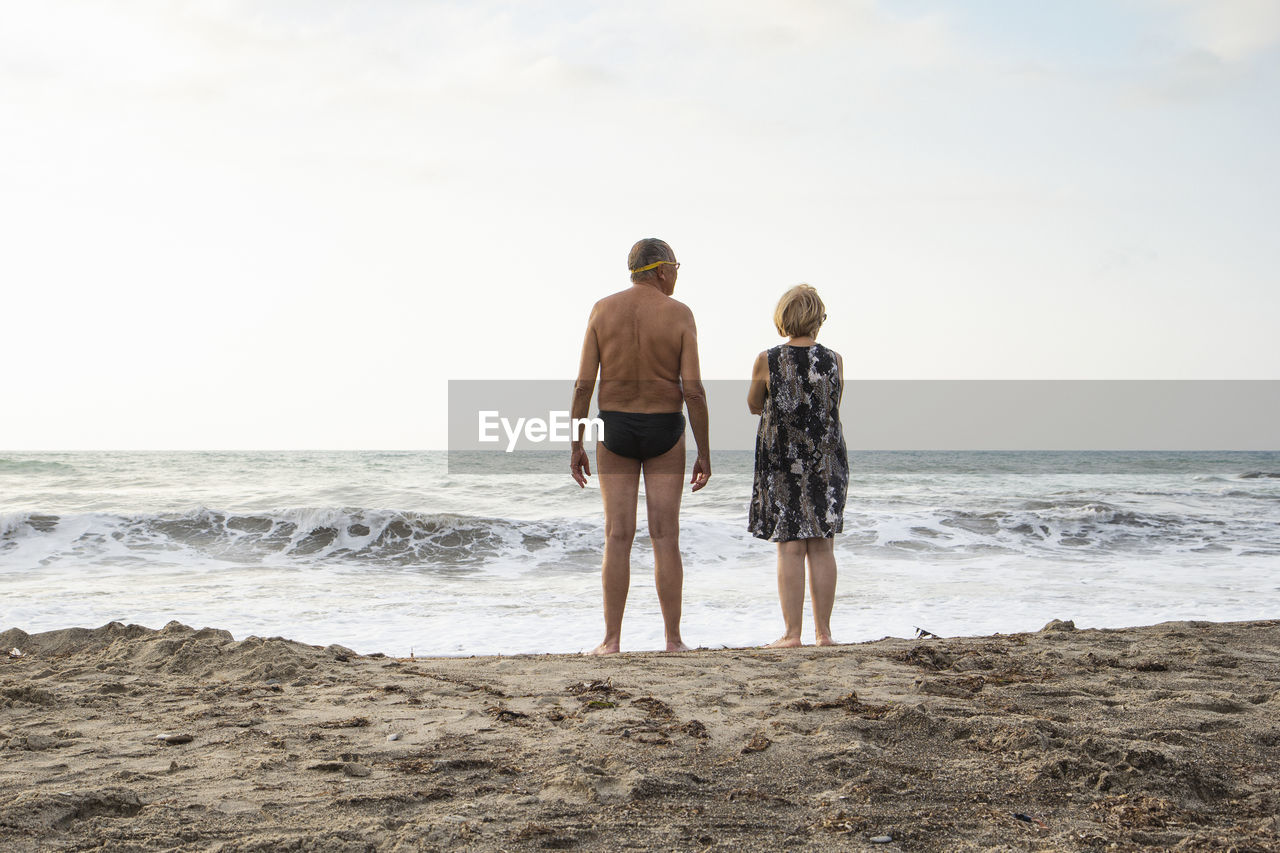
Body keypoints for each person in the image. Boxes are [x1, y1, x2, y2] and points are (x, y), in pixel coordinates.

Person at [570, 238, 711, 655]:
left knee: (617, 535)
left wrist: (575, 443)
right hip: (665, 427)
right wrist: (704, 450)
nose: (678, 276)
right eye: (678, 268)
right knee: (666, 535)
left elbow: (583, 385)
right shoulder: (679, 314)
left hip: (615, 427)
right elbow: (695, 391)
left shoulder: (602, 310)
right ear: (662, 270)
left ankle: (611, 642)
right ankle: (673, 641)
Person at [747, 284, 847, 647]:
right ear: (818, 319)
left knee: (789, 546)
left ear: (783, 318)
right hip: (826, 458)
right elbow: (833, 405)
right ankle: (824, 633)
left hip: (782, 458)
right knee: (822, 545)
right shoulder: (834, 359)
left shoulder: (767, 359)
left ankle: (792, 634)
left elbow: (754, 403)